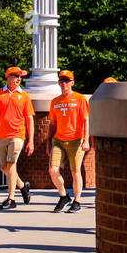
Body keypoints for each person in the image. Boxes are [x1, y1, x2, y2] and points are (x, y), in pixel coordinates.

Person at [0, 66, 34, 210]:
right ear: (8, 77)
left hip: (17, 135)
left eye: (20, 76)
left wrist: (31, 140)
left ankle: (11, 199)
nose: (19, 79)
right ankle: (23, 186)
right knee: (3, 167)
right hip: (0, 136)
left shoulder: (24, 96)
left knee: (11, 165)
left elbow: (29, 119)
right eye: (16, 76)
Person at [48, 70, 90, 213]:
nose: (64, 83)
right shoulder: (55, 101)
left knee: (75, 171)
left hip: (76, 140)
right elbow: (52, 124)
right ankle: (64, 196)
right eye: (61, 81)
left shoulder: (79, 98)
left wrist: (86, 140)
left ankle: (77, 201)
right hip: (58, 140)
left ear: (72, 82)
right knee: (53, 170)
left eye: (67, 80)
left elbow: (86, 120)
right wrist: (48, 142)